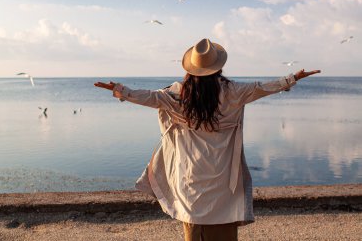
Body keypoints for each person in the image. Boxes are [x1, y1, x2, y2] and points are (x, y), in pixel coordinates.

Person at [94, 38, 320, 241]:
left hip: (190, 176)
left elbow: (149, 97)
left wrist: (121, 90)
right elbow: (261, 88)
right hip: (223, 177)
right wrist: (292, 78)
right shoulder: (233, 92)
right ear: (218, 67)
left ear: (190, 69)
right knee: (224, 225)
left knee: (194, 228)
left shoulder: (177, 95)